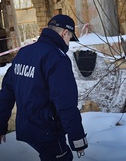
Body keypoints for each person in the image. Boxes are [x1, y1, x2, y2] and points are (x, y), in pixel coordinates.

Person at [0, 14, 88, 160]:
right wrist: (77, 139)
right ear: (64, 33)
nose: (68, 43)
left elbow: (6, 93)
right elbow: (65, 103)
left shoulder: (24, 53)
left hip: (26, 128)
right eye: (69, 38)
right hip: (47, 131)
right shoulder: (56, 58)